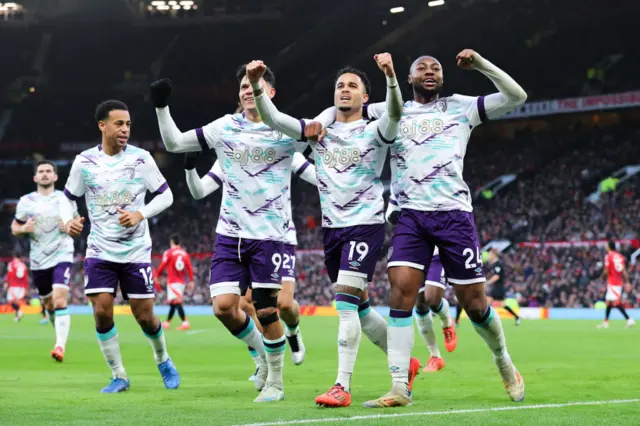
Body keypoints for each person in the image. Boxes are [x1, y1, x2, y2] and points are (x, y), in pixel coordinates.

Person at [310, 49, 527, 406]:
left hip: (454, 214)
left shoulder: (462, 106)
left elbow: (516, 97)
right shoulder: (388, 109)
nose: (429, 71)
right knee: (401, 290)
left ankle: (503, 360)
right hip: (410, 215)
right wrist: (317, 123)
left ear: (442, 78)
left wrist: (483, 65)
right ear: (408, 79)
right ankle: (399, 386)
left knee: (474, 304)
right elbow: (342, 110)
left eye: (436, 67)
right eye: (421, 68)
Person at [251, 54, 420, 408]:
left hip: (364, 224)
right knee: (358, 308)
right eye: (340, 85)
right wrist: (255, 84)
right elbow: (273, 118)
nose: (345, 90)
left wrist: (390, 76)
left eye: (352, 86)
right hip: (333, 229)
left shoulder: (376, 130)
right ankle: (404, 361)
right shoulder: (318, 132)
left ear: (364, 98)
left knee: (343, 304)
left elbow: (396, 114)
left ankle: (341, 386)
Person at [151, 63, 309, 402]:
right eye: (242, 88)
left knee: (269, 309)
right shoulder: (225, 127)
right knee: (224, 307)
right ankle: (264, 355)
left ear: (270, 92)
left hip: (271, 235)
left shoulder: (285, 130)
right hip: (230, 234)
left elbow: (318, 163)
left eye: (253, 85)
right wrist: (162, 107)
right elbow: (176, 143)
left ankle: (276, 384)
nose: (246, 92)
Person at [60, 100, 179, 393]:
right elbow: (67, 198)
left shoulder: (141, 159)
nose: (125, 129)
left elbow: (166, 196)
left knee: (145, 316)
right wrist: (68, 221)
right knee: (101, 310)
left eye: (128, 124)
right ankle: (119, 375)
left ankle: (162, 358)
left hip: (136, 250)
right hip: (100, 248)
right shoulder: (84, 162)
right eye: (119, 123)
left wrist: (140, 214)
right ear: (103, 125)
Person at [184, 151, 315, 367]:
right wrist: (189, 167)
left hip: (277, 236)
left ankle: (292, 330)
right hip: (240, 239)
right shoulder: (229, 150)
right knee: (246, 305)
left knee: (282, 303)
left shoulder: (281, 144)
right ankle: (262, 361)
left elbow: (316, 176)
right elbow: (200, 190)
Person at [11, 160, 76, 361]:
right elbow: (15, 227)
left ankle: (59, 346)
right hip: (39, 259)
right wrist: (23, 229)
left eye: (49, 171)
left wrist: (70, 227)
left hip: (62, 253)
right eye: (41, 171)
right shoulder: (26, 201)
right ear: (35, 177)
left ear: (56, 177)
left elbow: (76, 224)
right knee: (48, 304)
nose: (45, 174)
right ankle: (57, 332)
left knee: (59, 299)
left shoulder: (65, 200)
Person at [388, 194, 457, 373]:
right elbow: (390, 213)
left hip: (437, 249)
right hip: (414, 249)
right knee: (419, 303)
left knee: (432, 299)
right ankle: (435, 356)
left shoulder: (437, 180)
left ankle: (446, 320)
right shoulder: (402, 182)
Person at [157, 234, 194, 331]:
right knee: (173, 303)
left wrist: (157, 275)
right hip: (181, 282)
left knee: (177, 302)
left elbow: (163, 265)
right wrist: (191, 280)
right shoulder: (184, 253)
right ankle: (167, 322)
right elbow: (189, 267)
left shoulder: (169, 252)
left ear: (172, 242)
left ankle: (185, 322)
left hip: (173, 281)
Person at [597, 241, 635, 329]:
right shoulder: (620, 256)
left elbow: (606, 270)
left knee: (616, 303)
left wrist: (601, 278)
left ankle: (629, 319)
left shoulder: (609, 256)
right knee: (609, 302)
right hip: (618, 282)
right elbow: (623, 271)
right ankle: (606, 322)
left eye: (607, 245)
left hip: (612, 282)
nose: (606, 247)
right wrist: (627, 281)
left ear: (609, 247)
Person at [486, 249, 521, 325]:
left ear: (493, 255)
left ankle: (489, 320)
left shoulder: (497, 264)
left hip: (498, 287)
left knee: (488, 302)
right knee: (501, 305)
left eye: (489, 254)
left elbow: (497, 276)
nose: (488, 256)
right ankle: (517, 317)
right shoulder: (494, 264)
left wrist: (488, 282)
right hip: (497, 287)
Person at [3, 252, 29, 322]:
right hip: (22, 285)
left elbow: (9, 274)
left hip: (14, 285)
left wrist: (6, 282)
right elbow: (26, 277)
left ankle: (19, 311)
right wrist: (26, 288)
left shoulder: (11, 263)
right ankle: (18, 315)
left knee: (11, 300)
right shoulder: (23, 265)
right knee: (15, 300)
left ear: (14, 256)